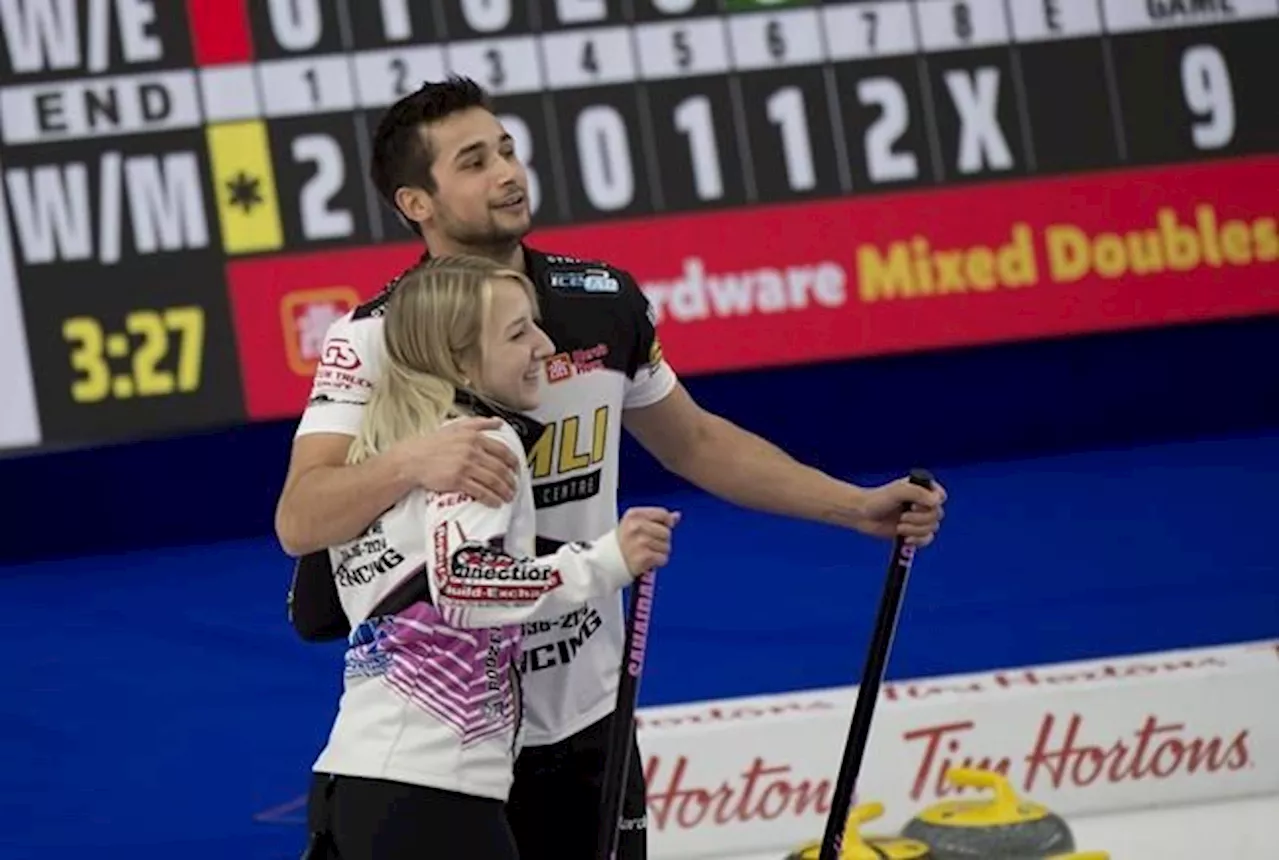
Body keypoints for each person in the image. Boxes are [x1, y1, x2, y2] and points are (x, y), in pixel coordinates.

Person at [276, 76, 947, 860]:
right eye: (472, 162)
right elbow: (302, 517)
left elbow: (695, 442)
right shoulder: (372, 338)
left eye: (506, 148)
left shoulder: (603, 303)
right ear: (415, 202)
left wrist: (852, 507)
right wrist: (412, 459)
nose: (507, 173)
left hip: (590, 713)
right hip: (446, 737)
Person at [302, 254, 681, 860]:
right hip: (431, 795)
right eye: (518, 332)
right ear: (459, 361)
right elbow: (461, 584)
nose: (545, 342)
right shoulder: (479, 440)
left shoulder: (378, 457)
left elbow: (317, 609)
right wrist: (607, 561)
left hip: (355, 783)